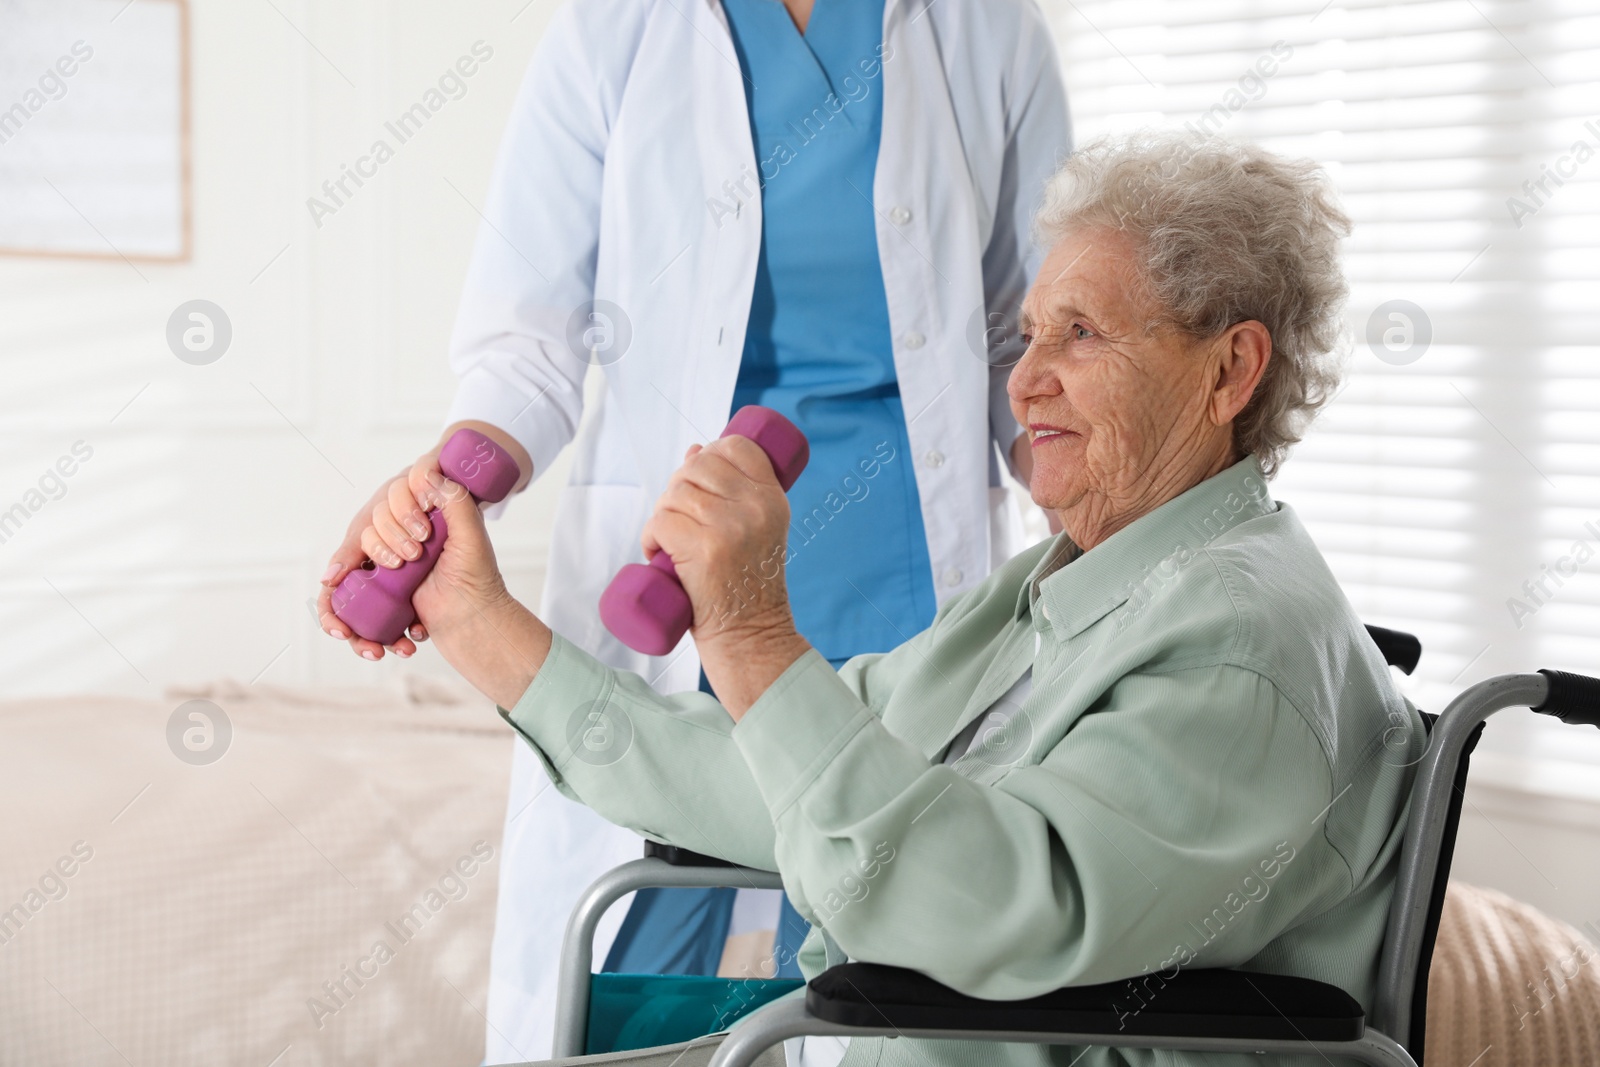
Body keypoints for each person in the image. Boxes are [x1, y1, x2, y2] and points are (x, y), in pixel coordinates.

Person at [392, 131, 1428, 1067]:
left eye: (1080, 333)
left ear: (1229, 369)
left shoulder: (1237, 641)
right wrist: (477, 619)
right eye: (1027, 335)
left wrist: (751, 630)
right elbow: (790, 781)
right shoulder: (1057, 585)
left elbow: (986, 914)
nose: (1024, 383)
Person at [314, 0, 1070, 1059]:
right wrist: (444, 488)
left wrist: (1113, 512)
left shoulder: (991, 32)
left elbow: (1022, 344)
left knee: (878, 969)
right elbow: (527, 344)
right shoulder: (612, 32)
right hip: (673, 576)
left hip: (901, 589)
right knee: (636, 939)